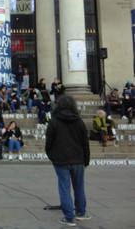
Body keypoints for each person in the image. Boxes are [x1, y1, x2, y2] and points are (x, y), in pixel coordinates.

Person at [45, 95, 91, 226]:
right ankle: (81, 213)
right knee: (79, 187)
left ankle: (69, 217)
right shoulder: (79, 122)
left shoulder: (54, 121)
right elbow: (85, 143)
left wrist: (51, 156)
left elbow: (49, 142)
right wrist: (86, 160)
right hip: (78, 159)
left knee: (64, 188)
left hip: (61, 160)